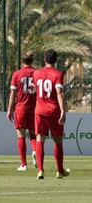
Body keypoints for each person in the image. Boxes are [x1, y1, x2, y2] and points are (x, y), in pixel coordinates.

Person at [32, 49, 70, 179]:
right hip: (53, 111)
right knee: (58, 141)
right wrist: (63, 111)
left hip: (39, 111)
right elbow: (59, 92)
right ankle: (59, 170)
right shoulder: (58, 74)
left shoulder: (36, 73)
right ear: (56, 60)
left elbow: (35, 90)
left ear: (44, 59)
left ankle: (40, 170)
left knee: (39, 139)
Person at [7, 52, 37, 171]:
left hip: (21, 109)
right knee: (33, 134)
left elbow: (13, 93)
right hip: (34, 109)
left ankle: (24, 164)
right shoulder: (37, 73)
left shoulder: (17, 74)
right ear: (32, 61)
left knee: (21, 136)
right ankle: (35, 150)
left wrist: (10, 109)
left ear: (22, 62)